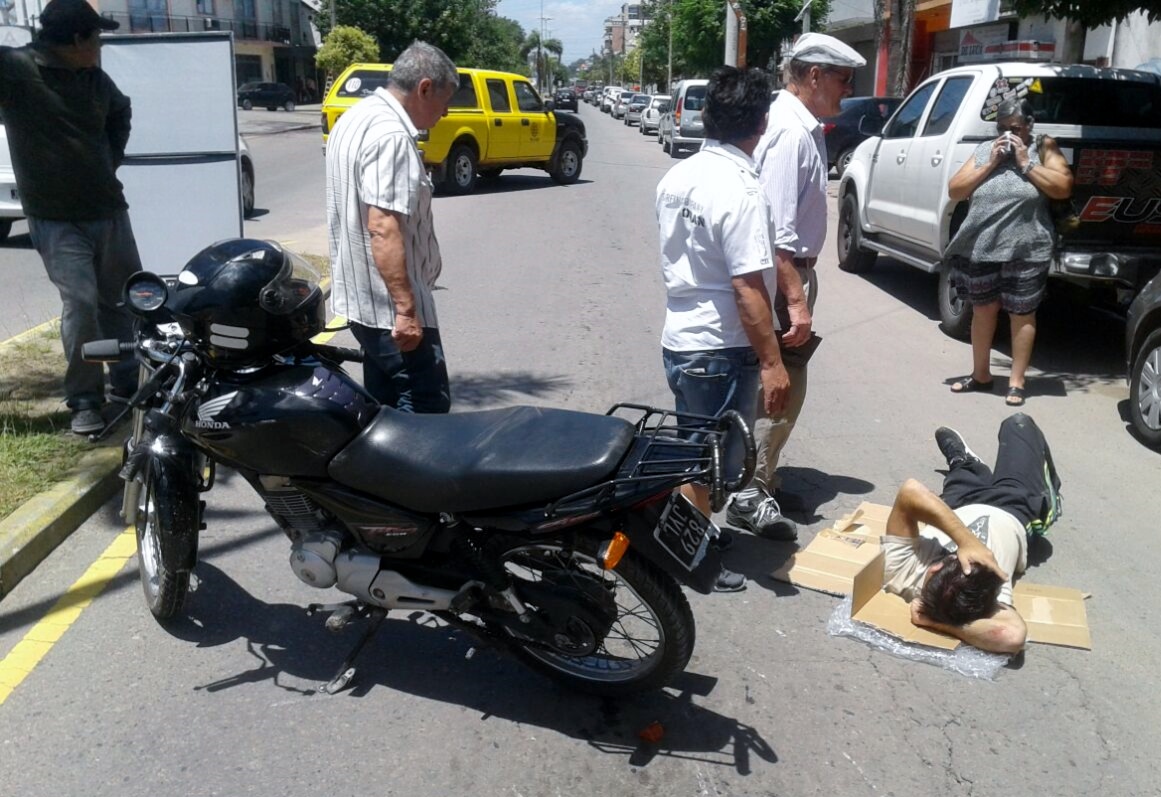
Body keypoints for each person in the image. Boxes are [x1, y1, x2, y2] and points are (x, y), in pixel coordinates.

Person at [656, 65, 790, 592]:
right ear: (759, 124)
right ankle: (690, 558)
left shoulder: (678, 176)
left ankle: (697, 538)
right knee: (711, 462)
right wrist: (773, 362)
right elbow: (747, 289)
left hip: (682, 338)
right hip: (719, 347)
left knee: (697, 450)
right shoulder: (740, 188)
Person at [727, 33, 866, 538]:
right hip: (782, 277)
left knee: (781, 387)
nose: (847, 90)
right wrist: (796, 303)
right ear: (813, 76)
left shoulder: (799, 126)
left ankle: (758, 477)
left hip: (789, 276)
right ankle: (750, 490)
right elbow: (776, 237)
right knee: (780, 388)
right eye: (842, 79)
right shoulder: (789, 133)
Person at [0, 0, 142, 435]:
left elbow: (121, 112)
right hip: (57, 218)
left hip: (109, 210)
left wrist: (108, 160)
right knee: (81, 307)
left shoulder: (95, 79)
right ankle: (85, 399)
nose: (100, 45)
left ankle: (128, 386)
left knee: (124, 302)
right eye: (96, 36)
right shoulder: (15, 70)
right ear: (78, 39)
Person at [326, 41, 458, 413]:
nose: (445, 113)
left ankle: (374, 474)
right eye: (445, 102)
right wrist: (405, 310)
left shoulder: (356, 117)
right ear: (425, 88)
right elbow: (382, 227)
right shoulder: (392, 136)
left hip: (359, 299)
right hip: (388, 309)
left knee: (382, 410)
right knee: (425, 405)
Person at [881, 414, 1063, 654]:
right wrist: (937, 622)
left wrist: (966, 541)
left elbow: (910, 491)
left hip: (957, 505)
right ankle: (1048, 497)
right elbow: (1014, 637)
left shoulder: (902, 574)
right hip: (1013, 507)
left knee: (961, 476)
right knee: (1017, 424)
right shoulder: (992, 602)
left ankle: (966, 463)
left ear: (934, 568)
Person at [944, 97, 1073, 407]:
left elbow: (1063, 186)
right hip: (984, 245)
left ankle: (1016, 382)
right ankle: (981, 375)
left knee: (1021, 313)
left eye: (1013, 128)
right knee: (982, 310)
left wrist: (1025, 163)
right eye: (1001, 128)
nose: (1007, 135)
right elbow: (955, 189)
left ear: (1029, 126)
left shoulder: (1043, 148)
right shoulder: (986, 150)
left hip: (1027, 248)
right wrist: (990, 162)